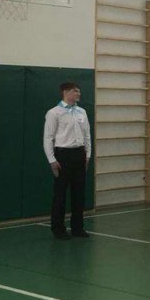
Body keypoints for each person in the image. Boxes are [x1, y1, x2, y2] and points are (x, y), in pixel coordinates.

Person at [44, 81, 92, 239]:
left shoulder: (82, 112)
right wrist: (52, 160)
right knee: (60, 194)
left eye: (78, 91)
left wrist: (87, 155)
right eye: (75, 91)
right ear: (65, 92)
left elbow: (87, 135)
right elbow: (48, 138)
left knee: (79, 193)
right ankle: (58, 229)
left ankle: (78, 228)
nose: (78, 93)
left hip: (79, 154)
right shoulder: (54, 113)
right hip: (62, 155)